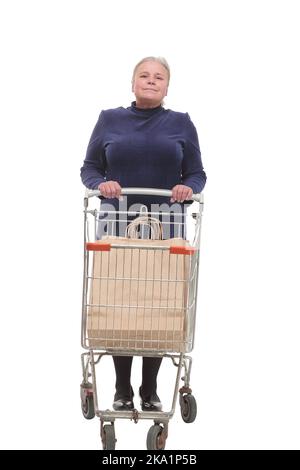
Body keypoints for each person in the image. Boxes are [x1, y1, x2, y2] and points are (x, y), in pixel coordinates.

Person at [80, 56, 206, 412]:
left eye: (159, 78)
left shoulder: (181, 124)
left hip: (167, 222)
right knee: (120, 298)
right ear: (132, 83)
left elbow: (197, 173)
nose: (151, 81)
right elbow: (89, 166)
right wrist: (100, 183)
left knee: (158, 301)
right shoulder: (110, 119)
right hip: (117, 221)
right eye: (144, 76)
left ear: (167, 87)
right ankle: (122, 387)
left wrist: (186, 188)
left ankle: (149, 389)